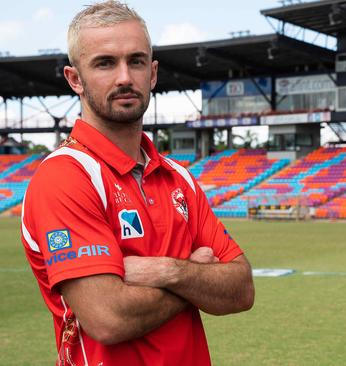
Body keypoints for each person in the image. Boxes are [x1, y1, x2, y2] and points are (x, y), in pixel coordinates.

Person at [20, 2, 254, 365]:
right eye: (105, 63)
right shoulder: (64, 176)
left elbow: (241, 290)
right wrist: (195, 277)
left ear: (154, 72)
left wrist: (167, 271)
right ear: (75, 79)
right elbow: (109, 317)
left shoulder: (181, 178)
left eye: (137, 61)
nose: (125, 77)